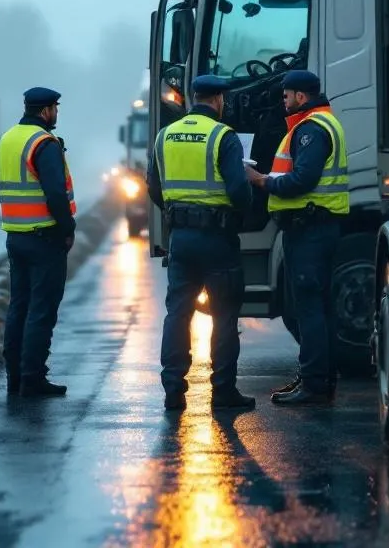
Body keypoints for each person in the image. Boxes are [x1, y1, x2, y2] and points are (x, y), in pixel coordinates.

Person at [147, 74, 256, 412]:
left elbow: (153, 186)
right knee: (224, 315)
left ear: (194, 97)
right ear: (219, 100)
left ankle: (173, 391)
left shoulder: (165, 136)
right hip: (217, 239)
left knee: (178, 314)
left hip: (180, 238)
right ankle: (223, 393)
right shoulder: (223, 136)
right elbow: (239, 191)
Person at [245, 70, 348, 406]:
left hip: (310, 228)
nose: (283, 101)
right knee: (318, 307)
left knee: (309, 309)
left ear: (301, 97)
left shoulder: (311, 130)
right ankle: (318, 377)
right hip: (316, 226)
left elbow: (302, 180)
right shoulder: (317, 124)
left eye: (287, 95)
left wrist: (261, 181)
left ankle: (315, 384)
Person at [0, 86, 77, 398]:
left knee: (19, 306)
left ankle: (14, 377)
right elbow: (56, 194)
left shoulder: (6, 139)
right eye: (56, 107)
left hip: (15, 236)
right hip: (45, 238)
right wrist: (67, 228)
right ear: (46, 110)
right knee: (42, 310)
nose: (56, 113)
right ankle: (33, 379)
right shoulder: (45, 143)